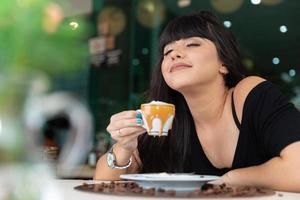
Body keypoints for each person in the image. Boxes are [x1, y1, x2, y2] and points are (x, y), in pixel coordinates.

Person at [94, 11, 300, 192]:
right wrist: (124, 147)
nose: (175, 53)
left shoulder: (248, 94)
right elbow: (101, 184)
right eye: (167, 51)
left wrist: (231, 180)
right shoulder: (164, 117)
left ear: (224, 64)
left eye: (192, 44)